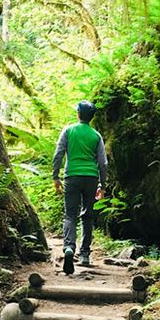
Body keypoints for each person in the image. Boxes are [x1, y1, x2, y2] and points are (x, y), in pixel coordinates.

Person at [52, 100, 108, 273]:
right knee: (88, 215)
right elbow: (103, 163)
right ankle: (84, 254)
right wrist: (102, 184)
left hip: (72, 177)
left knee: (70, 215)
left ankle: (69, 247)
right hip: (91, 178)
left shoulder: (68, 131)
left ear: (78, 114)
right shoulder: (96, 135)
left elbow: (59, 154)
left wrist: (56, 176)